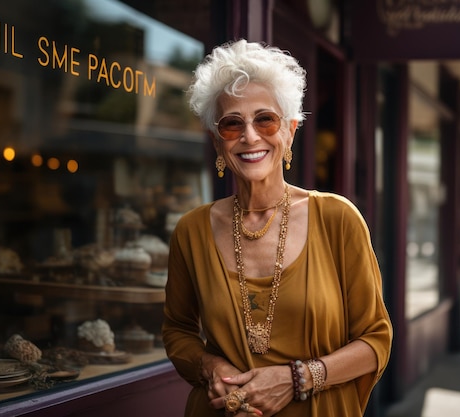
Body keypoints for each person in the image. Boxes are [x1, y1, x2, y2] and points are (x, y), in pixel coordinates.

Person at [162, 39, 392, 417]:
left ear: (290, 130)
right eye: (232, 124)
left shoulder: (337, 219)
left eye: (264, 119)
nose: (250, 136)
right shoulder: (192, 231)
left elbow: (375, 340)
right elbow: (177, 330)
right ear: (218, 142)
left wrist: (298, 377)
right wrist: (210, 366)